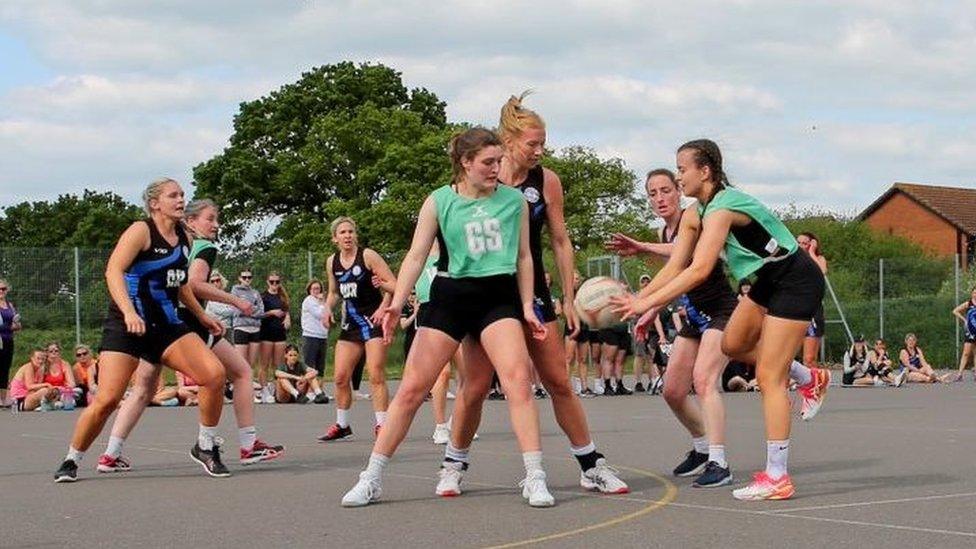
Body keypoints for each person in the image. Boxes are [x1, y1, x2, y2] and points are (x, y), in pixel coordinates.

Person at [341, 127, 557, 508]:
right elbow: (415, 256)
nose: (496, 169)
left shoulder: (514, 202)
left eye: (499, 161)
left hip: (498, 298)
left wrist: (527, 305)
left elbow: (525, 258)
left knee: (518, 380)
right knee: (411, 389)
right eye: (488, 162)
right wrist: (397, 302)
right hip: (451, 297)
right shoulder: (439, 201)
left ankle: (535, 476)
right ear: (465, 162)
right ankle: (371, 477)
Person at [611, 140, 828, 500]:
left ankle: (778, 477)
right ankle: (809, 377)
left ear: (705, 171)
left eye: (682, 170)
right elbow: (678, 263)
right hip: (767, 280)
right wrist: (641, 300)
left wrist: (645, 303)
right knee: (733, 344)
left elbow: (698, 270)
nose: (679, 177)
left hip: (795, 279)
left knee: (769, 377)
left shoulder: (722, 208)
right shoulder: (697, 212)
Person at [446, 94, 628, 495]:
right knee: (476, 385)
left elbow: (561, 241)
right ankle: (454, 463)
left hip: (534, 290)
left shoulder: (545, 181)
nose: (539, 151)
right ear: (508, 140)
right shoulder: (478, 180)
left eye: (543, 143)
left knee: (558, 380)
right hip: (485, 292)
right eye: (532, 143)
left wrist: (570, 297)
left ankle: (590, 464)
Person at [53, 178, 228, 483]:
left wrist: (202, 315)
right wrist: (130, 311)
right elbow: (114, 270)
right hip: (127, 325)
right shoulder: (140, 231)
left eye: (182, 195)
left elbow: (181, 283)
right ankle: (72, 459)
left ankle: (205, 446)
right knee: (107, 399)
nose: (180, 199)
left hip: (166, 325)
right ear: (154, 203)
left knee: (213, 375)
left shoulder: (185, 239)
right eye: (173, 195)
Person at [96, 198, 283, 474]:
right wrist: (235, 301)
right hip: (185, 324)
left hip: (161, 321)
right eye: (210, 218)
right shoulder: (202, 247)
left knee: (143, 389)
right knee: (241, 372)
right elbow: (194, 284)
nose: (216, 225)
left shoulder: (176, 242)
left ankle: (110, 454)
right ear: (191, 221)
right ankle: (247, 444)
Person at [608, 167, 739, 487]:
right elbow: (675, 275)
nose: (660, 198)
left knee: (705, 381)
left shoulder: (693, 217)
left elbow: (689, 256)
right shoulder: (663, 233)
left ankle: (719, 463)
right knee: (672, 390)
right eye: (652, 193)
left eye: (666, 190)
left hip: (721, 311)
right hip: (695, 315)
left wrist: (643, 253)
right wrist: (651, 310)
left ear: (679, 191)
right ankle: (702, 447)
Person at [318, 216, 396, 441]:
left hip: (372, 321)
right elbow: (333, 292)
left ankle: (382, 425)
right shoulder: (332, 261)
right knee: (341, 377)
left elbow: (393, 284)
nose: (347, 236)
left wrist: (383, 307)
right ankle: (343, 425)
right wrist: (327, 308)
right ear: (335, 238)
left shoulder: (368, 256)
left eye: (351, 232)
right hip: (350, 324)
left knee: (376, 375)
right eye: (342, 233)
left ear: (356, 235)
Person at [231, 269, 265, 402]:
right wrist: (249, 309)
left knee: (250, 364)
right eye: (244, 277)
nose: (247, 280)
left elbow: (261, 311)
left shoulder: (255, 293)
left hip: (255, 328)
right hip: (241, 328)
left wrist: (248, 310)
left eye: (249, 277)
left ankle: (249, 392)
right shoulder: (235, 291)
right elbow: (236, 309)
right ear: (239, 278)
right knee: (241, 363)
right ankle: (243, 393)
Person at [797, 232, 828, 370]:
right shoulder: (793, 260)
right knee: (786, 357)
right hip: (794, 310)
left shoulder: (818, 258)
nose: (801, 246)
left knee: (809, 359)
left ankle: (814, 385)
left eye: (805, 243)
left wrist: (811, 252)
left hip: (812, 311)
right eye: (799, 242)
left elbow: (821, 271)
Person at [259, 272, 291, 402]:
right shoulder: (263, 296)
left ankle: (276, 388)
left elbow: (286, 311)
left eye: (277, 282)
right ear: (267, 282)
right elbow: (259, 314)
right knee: (264, 364)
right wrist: (271, 312)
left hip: (280, 333)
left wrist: (288, 317)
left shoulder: (282, 297)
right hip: (266, 333)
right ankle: (264, 389)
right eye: (272, 282)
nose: (274, 284)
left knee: (278, 365)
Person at [301, 279, 330, 378]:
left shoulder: (323, 302)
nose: (316, 291)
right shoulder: (309, 300)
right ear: (309, 290)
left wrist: (324, 303)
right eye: (313, 288)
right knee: (309, 366)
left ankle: (319, 390)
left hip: (322, 336)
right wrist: (323, 303)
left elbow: (329, 315)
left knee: (320, 367)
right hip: (311, 336)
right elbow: (319, 314)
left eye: (318, 288)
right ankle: (308, 391)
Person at [0, 278, 22, 407]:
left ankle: (3, 399)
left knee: (5, 368)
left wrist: (16, 324)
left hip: (8, 340)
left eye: (3, 289)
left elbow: (16, 325)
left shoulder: (10, 305)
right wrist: (9, 326)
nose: (1, 291)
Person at [950, 286, 976, 382]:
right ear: (971, 294)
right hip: (970, 331)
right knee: (966, 353)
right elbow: (955, 311)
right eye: (974, 293)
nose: (975, 294)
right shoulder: (968, 304)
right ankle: (959, 374)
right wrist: (964, 320)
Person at [44, 342, 78, 407]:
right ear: (47, 353)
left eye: (56, 351)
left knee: (74, 397)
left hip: (61, 391)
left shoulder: (65, 364)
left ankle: (59, 403)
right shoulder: (43, 365)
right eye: (51, 351)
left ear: (59, 352)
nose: (54, 352)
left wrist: (65, 388)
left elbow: (71, 383)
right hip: (48, 392)